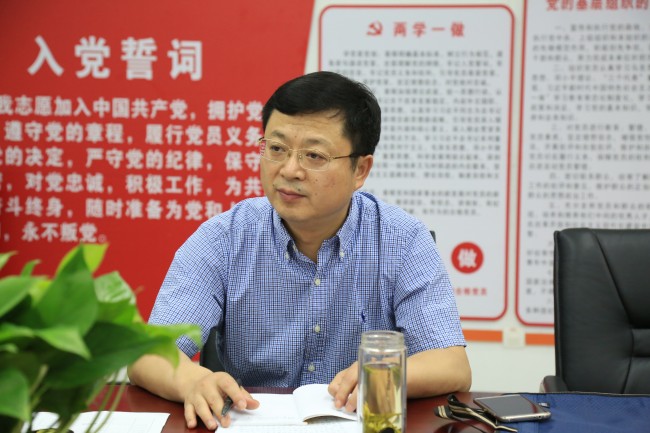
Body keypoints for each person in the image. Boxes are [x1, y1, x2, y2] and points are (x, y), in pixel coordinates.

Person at [127, 71, 471, 430]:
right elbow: (147, 354)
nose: (290, 170)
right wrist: (193, 381)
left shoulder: (402, 240)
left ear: (360, 169)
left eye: (314, 155)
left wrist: (385, 373)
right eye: (276, 149)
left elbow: (452, 365)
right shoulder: (223, 238)